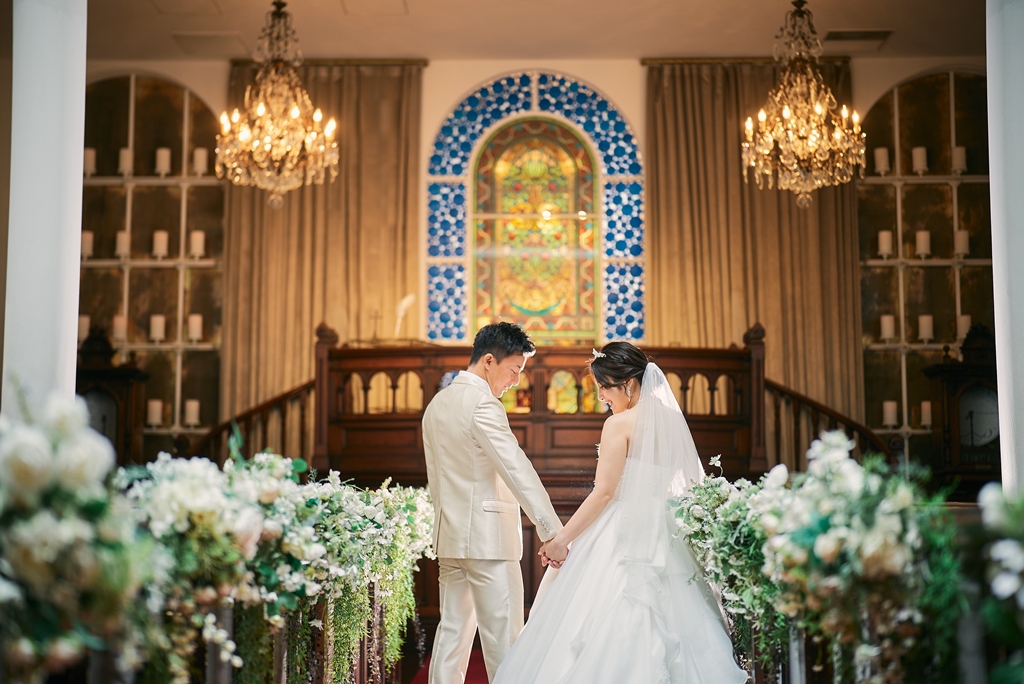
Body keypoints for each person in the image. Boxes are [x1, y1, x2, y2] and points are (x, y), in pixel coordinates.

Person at [493, 341, 749, 684]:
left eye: (604, 387)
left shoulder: (619, 424)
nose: (602, 397)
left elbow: (604, 493)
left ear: (627, 383)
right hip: (667, 533)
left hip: (622, 530)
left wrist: (561, 540)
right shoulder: (671, 420)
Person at [422, 322, 564, 684]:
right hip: (489, 543)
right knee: (505, 644)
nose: (516, 380)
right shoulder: (482, 404)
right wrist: (552, 531)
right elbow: (516, 469)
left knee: (451, 638)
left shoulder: (437, 405)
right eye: (514, 369)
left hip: (450, 540)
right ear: (489, 361)